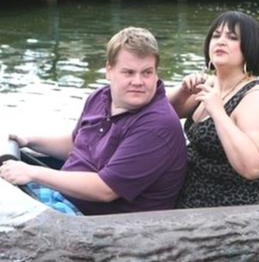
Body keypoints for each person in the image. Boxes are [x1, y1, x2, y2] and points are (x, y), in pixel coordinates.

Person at [0, 27, 187, 215]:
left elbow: (106, 190)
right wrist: (30, 141)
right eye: (128, 72)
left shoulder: (157, 126)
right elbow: (77, 144)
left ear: (156, 73)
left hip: (98, 223)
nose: (138, 81)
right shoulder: (100, 97)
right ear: (109, 71)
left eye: (146, 73)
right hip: (62, 197)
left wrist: (33, 173)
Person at [168, 11, 259, 208]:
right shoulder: (212, 86)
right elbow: (162, 114)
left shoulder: (257, 100)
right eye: (216, 35)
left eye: (232, 37)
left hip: (235, 212)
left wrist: (218, 112)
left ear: (249, 48)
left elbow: (252, 167)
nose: (221, 41)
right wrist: (182, 91)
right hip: (190, 198)